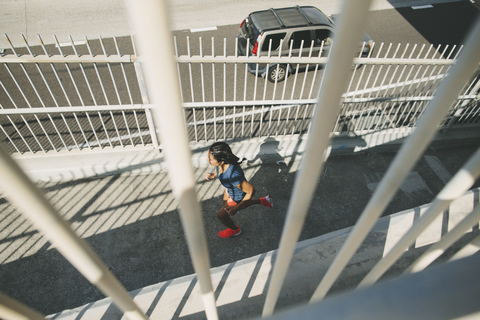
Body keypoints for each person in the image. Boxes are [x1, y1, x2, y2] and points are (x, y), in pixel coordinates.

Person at [205, 142, 273, 239]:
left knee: (221, 215)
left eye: (210, 159)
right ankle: (264, 201)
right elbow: (219, 169)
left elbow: (251, 191)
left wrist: (235, 208)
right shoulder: (222, 162)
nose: (208, 160)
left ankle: (235, 230)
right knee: (225, 205)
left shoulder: (233, 175)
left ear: (222, 161)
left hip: (236, 196)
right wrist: (213, 175)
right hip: (229, 189)